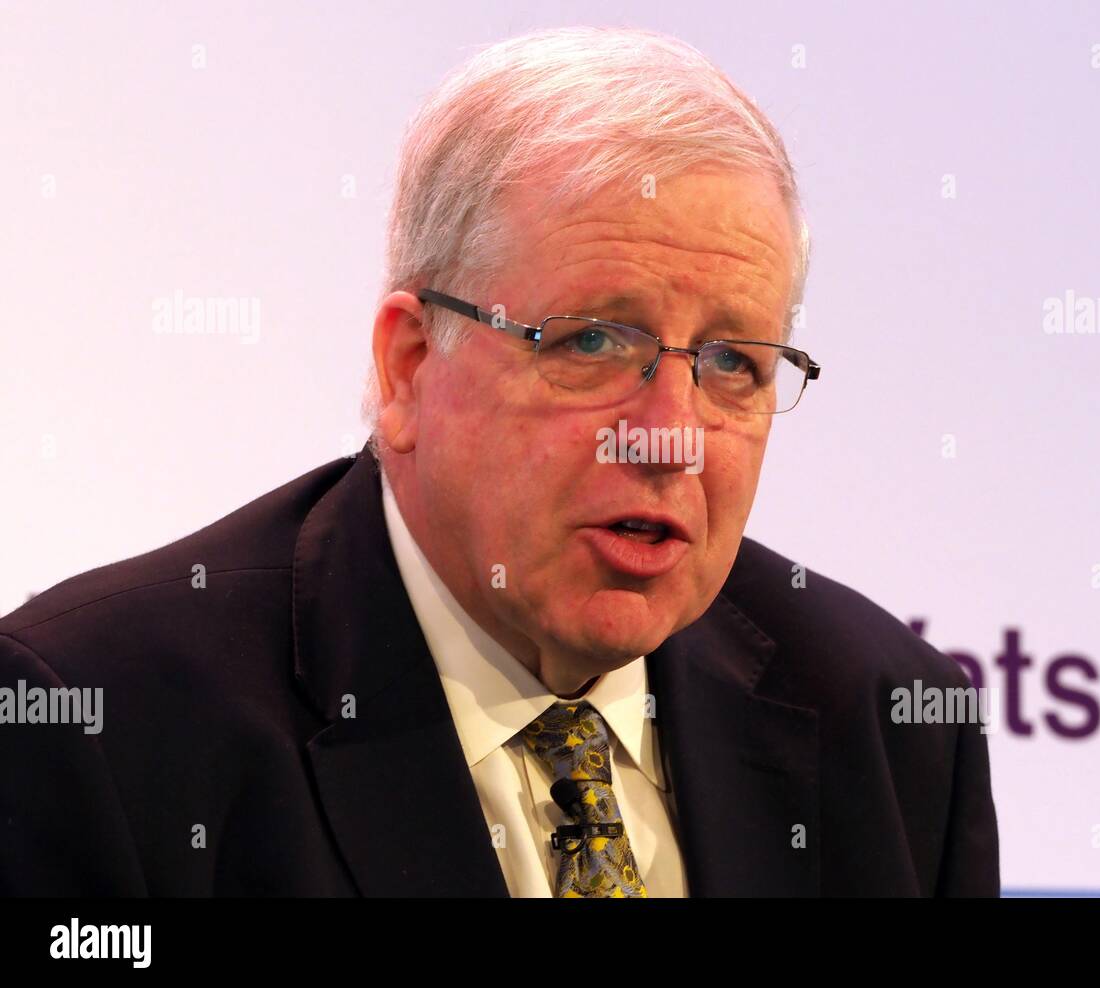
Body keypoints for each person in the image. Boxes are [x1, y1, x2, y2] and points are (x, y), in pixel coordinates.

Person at [0, 26, 997, 897]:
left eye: (734, 362)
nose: (671, 436)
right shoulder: (94, 725)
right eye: (593, 342)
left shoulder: (889, 724)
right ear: (408, 364)